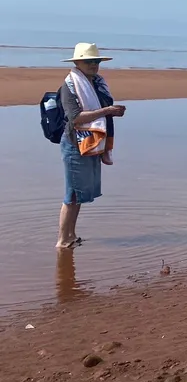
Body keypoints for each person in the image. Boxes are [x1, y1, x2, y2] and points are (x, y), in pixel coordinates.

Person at [56, 43, 126, 249]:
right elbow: (76, 118)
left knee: (78, 194)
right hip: (75, 144)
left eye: (96, 61)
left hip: (90, 142)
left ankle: (71, 235)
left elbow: (99, 111)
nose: (93, 65)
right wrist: (107, 111)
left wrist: (110, 112)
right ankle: (62, 240)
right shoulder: (69, 86)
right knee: (71, 194)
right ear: (77, 63)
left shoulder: (97, 83)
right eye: (88, 61)